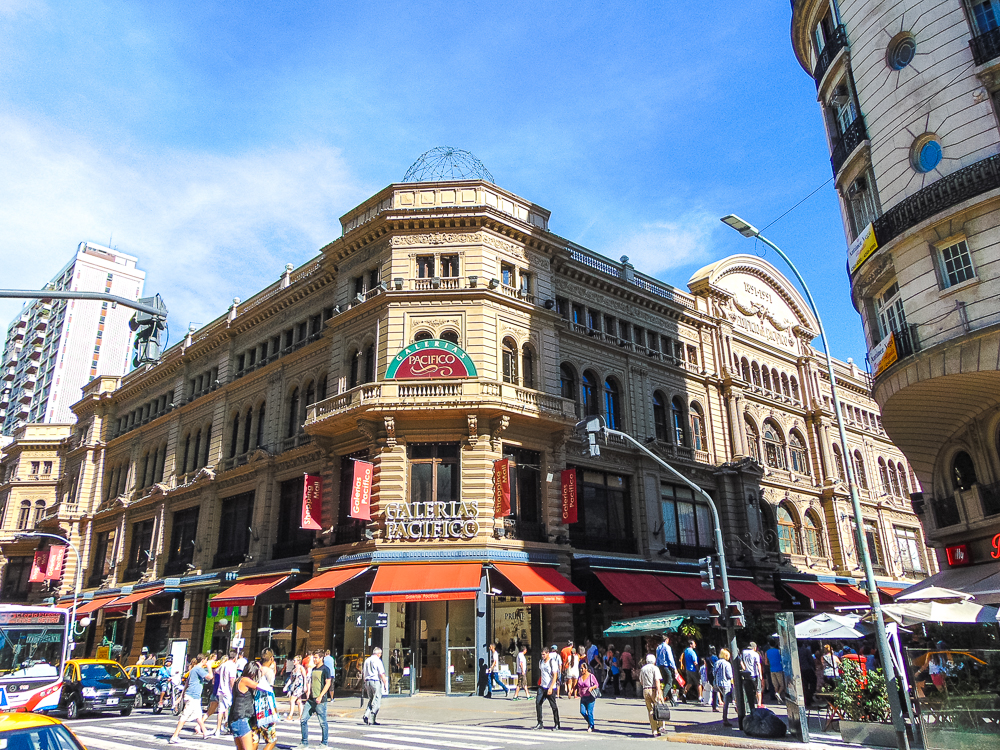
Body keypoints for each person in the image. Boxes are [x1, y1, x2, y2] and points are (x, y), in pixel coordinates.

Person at [169, 654, 213, 744]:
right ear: (203, 660)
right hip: (193, 696)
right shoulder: (198, 669)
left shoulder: (193, 669)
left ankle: (205, 732)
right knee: (185, 716)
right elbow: (210, 677)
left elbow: (187, 683)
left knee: (198, 715)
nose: (206, 662)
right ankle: (175, 736)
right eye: (206, 660)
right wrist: (209, 667)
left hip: (193, 696)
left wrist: (181, 696)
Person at [227, 660, 261, 750]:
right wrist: (262, 671)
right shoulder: (245, 680)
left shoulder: (238, 680)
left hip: (234, 718)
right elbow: (262, 687)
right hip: (241, 719)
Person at [301, 649, 332, 745]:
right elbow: (311, 682)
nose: (314, 659)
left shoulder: (325, 669)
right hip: (311, 699)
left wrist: (320, 696)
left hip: (320, 700)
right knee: (303, 720)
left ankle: (324, 743)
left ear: (321, 658)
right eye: (313, 657)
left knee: (323, 723)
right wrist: (308, 692)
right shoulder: (314, 669)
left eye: (316, 658)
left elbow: (328, 683)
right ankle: (304, 742)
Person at [254, 649, 278, 750]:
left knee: (254, 739)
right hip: (265, 708)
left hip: (254, 705)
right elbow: (270, 690)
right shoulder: (269, 671)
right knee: (271, 740)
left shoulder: (255, 669)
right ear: (271, 659)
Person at [532, 646, 560, 730]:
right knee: (538, 702)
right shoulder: (541, 662)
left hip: (550, 687)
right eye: (542, 654)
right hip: (542, 686)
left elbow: (555, 676)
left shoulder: (552, 662)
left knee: (553, 706)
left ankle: (557, 723)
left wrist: (551, 687)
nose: (542, 656)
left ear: (548, 653)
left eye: (544, 654)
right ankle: (540, 723)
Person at [639, 654, 665, 737]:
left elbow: (641, 681)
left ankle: (654, 731)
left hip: (645, 690)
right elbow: (657, 680)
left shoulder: (643, 669)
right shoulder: (655, 668)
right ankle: (661, 726)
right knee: (659, 707)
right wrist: (659, 692)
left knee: (650, 710)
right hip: (653, 689)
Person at [213, 651, 238, 736]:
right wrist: (233, 690)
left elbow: (216, 671)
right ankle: (228, 726)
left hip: (221, 689)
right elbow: (232, 679)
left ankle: (218, 729)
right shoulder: (233, 666)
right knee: (231, 709)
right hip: (228, 691)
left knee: (221, 710)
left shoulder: (223, 665)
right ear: (235, 658)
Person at [362, 647, 388, 725]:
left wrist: (365, 682)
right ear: (378, 654)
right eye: (380, 654)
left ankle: (366, 715)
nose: (380, 655)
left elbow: (363, 673)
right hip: (375, 681)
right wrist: (385, 683)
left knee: (371, 699)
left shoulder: (367, 660)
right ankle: (372, 719)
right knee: (376, 700)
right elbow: (381, 673)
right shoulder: (378, 661)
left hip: (367, 681)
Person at [205, 653, 228, 734]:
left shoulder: (217, 669)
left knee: (211, 711)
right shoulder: (224, 670)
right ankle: (224, 726)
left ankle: (224, 726)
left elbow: (213, 681)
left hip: (215, 691)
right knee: (224, 709)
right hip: (222, 692)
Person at [714, 648, 735, 728]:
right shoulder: (727, 664)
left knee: (721, 697)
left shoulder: (716, 663)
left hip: (718, 683)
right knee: (726, 702)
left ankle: (717, 707)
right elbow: (729, 675)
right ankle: (725, 719)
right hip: (726, 683)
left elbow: (713, 673)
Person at [655, 633, 677, 706]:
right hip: (667, 666)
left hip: (661, 667)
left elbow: (657, 658)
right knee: (669, 683)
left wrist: (657, 666)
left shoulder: (658, 647)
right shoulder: (667, 647)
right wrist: (674, 668)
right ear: (667, 639)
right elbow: (670, 659)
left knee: (666, 682)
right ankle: (662, 697)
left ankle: (672, 701)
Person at [739, 642, 763, 710]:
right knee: (758, 689)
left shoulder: (744, 652)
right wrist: (760, 674)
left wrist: (744, 668)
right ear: (754, 648)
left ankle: (750, 706)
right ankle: (759, 703)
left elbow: (741, 661)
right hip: (755, 674)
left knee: (749, 691)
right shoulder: (755, 654)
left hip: (746, 674)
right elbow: (758, 664)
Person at [283, 654, 306, 722]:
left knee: (292, 700)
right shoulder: (293, 670)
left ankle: (290, 715)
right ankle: (301, 716)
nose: (293, 661)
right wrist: (286, 686)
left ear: (298, 661)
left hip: (300, 686)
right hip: (295, 686)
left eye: (294, 660)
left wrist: (305, 686)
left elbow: (305, 677)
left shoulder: (301, 668)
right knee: (299, 701)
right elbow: (291, 679)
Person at [577, 661, 599, 732]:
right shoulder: (580, 677)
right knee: (582, 712)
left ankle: (591, 726)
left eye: (582, 668)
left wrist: (591, 688)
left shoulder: (591, 676)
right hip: (583, 697)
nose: (581, 670)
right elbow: (579, 686)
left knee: (590, 712)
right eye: (580, 668)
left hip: (590, 697)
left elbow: (596, 684)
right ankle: (590, 722)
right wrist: (579, 692)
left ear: (586, 669)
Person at [799, 643, 816, 708]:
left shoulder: (796, 652)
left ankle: (807, 698)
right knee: (813, 683)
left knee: (804, 685)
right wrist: (814, 668)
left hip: (801, 670)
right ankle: (809, 696)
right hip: (808, 669)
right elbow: (811, 660)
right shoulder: (806, 650)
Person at [707, 646, 719, 711]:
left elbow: (706, 667)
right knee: (716, 690)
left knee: (714, 689)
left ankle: (714, 705)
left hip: (709, 674)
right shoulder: (715, 658)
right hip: (715, 674)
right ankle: (715, 705)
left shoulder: (707, 658)